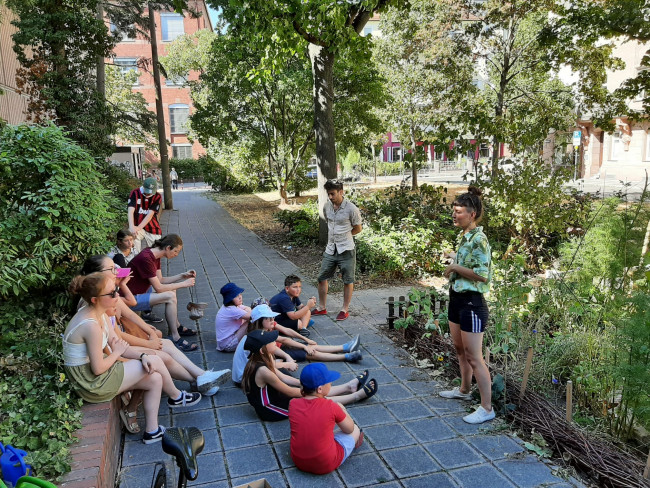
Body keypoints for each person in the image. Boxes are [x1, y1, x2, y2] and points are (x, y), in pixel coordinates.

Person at [63, 272, 201, 444]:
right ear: (94, 299)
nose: (117, 295)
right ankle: (176, 396)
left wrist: (142, 355)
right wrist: (118, 353)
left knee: (155, 377)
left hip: (96, 374)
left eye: (115, 290)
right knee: (155, 362)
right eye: (112, 293)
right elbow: (98, 368)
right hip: (90, 382)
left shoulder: (101, 313)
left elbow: (117, 345)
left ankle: (152, 431)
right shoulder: (90, 325)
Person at [80, 255, 231, 393]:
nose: (117, 271)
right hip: (116, 352)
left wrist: (150, 333)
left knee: (165, 343)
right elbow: (117, 337)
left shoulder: (108, 292)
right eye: (112, 269)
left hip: (120, 346)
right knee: (161, 353)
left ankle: (201, 377)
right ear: (97, 274)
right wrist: (150, 343)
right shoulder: (101, 299)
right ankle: (197, 381)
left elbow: (130, 312)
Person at [440, 186, 494, 424]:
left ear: (472, 214)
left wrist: (454, 268)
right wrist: (454, 258)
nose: (454, 215)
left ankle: (487, 408)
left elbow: (483, 275)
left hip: (472, 303)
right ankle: (464, 390)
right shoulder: (464, 236)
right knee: (460, 350)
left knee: (475, 357)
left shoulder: (480, 239)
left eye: (459, 211)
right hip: (457, 299)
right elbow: (468, 265)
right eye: (454, 210)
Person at [241, 329, 377, 422]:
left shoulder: (263, 357)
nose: (275, 342)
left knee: (312, 389)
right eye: (271, 341)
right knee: (312, 399)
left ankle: (348, 387)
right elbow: (288, 390)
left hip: (275, 396)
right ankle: (356, 396)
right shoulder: (262, 370)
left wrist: (304, 383)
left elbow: (283, 377)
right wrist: (309, 390)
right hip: (271, 409)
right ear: (262, 350)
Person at [126, 234, 198, 352]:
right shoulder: (146, 258)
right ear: (168, 247)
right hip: (130, 299)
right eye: (176, 251)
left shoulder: (154, 255)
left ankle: (177, 327)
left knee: (171, 290)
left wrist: (182, 276)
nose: (176, 255)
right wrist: (184, 284)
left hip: (140, 292)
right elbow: (159, 288)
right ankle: (175, 337)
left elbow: (160, 280)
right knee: (169, 296)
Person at [289, 363, 365, 474]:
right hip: (325, 464)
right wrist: (343, 410)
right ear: (320, 389)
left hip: (298, 461)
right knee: (356, 430)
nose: (331, 383)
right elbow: (349, 429)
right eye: (328, 381)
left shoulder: (293, 403)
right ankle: (351, 445)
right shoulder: (332, 406)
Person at [312, 179, 362, 321]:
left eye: (333, 194)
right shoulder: (327, 207)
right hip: (330, 248)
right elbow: (329, 223)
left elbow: (358, 228)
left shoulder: (351, 209)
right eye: (328, 194)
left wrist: (345, 236)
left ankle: (344, 309)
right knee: (322, 278)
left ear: (341, 192)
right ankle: (322, 307)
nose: (330, 197)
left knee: (347, 280)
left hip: (346, 249)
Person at [128, 177, 162, 254]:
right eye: (147, 192)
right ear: (143, 186)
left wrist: (138, 228)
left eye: (151, 192)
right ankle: (136, 260)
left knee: (156, 251)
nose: (148, 194)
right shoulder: (135, 193)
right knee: (132, 235)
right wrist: (132, 227)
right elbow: (130, 211)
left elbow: (150, 215)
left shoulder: (157, 196)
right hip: (136, 225)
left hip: (152, 227)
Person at [216, 282, 252, 352]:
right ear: (230, 299)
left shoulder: (230, 306)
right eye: (236, 296)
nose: (240, 297)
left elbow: (248, 309)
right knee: (251, 321)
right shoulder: (232, 310)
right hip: (228, 345)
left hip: (224, 342)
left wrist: (249, 310)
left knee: (246, 317)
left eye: (240, 294)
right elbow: (252, 315)